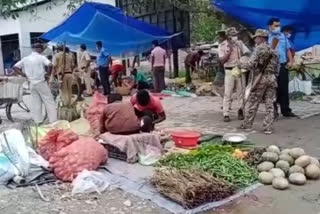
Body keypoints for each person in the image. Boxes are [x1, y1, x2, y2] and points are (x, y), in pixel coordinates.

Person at [238, 29, 279, 134]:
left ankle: (247, 124)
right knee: (269, 104)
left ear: (261, 37)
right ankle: (268, 127)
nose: (255, 39)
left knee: (253, 102)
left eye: (256, 37)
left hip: (259, 79)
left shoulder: (258, 49)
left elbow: (250, 64)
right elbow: (277, 67)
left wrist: (240, 64)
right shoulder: (273, 50)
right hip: (272, 79)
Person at [13, 43, 57, 124]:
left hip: (31, 83)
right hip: (41, 82)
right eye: (42, 48)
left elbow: (15, 67)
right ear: (39, 49)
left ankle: (38, 121)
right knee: (49, 101)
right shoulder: (41, 57)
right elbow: (50, 65)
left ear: (33, 49)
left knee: (36, 103)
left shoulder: (26, 58)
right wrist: (47, 74)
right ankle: (53, 121)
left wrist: (24, 75)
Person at [268, 17, 296, 118]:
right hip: (271, 67)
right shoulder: (266, 37)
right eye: (276, 26)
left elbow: (288, 50)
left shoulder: (283, 37)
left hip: (283, 65)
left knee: (284, 88)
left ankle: (286, 110)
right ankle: (273, 111)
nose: (278, 27)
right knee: (272, 89)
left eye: (279, 25)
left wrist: (291, 61)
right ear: (270, 26)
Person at [222, 27, 251, 122]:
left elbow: (248, 53)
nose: (234, 37)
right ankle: (226, 113)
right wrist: (229, 50)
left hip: (239, 69)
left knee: (241, 92)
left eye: (235, 35)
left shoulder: (240, 44)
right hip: (229, 70)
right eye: (232, 35)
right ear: (228, 36)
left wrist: (242, 59)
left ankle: (241, 110)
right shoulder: (223, 45)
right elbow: (221, 60)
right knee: (228, 93)